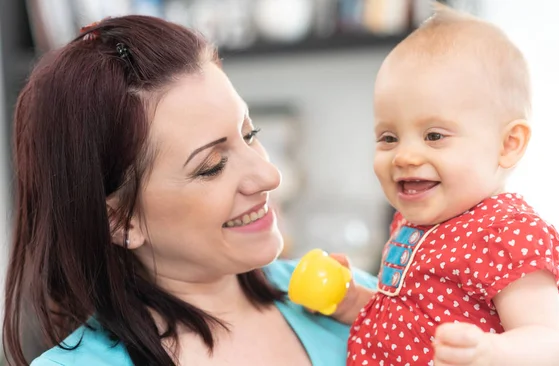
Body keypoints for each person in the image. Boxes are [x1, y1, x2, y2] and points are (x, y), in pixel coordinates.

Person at [1, 15, 377, 366]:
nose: (268, 176)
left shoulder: (351, 299)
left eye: (250, 135)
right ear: (120, 220)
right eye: (211, 167)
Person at [333, 4, 559, 366]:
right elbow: (405, 316)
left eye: (433, 135)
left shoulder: (507, 234)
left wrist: (488, 353)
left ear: (507, 144)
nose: (404, 156)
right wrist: (355, 301)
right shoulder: (413, 223)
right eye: (388, 138)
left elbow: (547, 341)